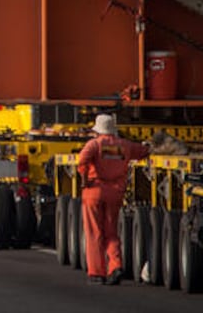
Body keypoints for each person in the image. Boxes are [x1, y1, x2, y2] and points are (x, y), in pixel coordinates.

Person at [76, 113, 149, 285]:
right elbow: (143, 152)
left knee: (94, 232)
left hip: (94, 191)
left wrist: (84, 177)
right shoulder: (125, 146)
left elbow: (82, 160)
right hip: (115, 192)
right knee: (111, 232)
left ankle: (96, 272)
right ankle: (115, 266)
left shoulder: (94, 144)